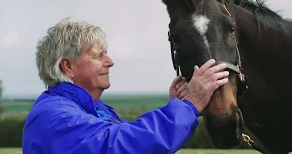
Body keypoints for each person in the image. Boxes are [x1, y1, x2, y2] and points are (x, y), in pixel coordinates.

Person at [22, 17, 230, 154]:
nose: (110, 61)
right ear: (68, 66)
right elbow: (123, 145)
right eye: (98, 55)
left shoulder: (94, 108)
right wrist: (190, 104)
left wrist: (175, 106)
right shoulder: (55, 117)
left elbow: (133, 134)